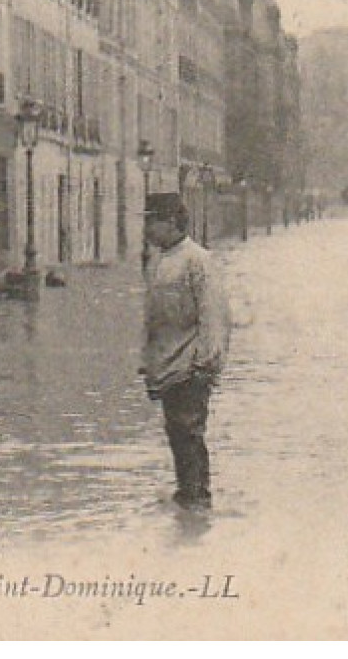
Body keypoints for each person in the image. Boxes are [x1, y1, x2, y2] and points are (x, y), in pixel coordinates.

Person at [141, 192, 231, 510]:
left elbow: (213, 315)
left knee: (188, 432)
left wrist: (206, 362)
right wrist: (148, 363)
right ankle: (188, 499)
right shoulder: (161, 262)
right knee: (177, 432)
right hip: (168, 366)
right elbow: (155, 320)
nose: (147, 230)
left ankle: (196, 501)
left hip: (190, 365)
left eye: (152, 222)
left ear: (171, 222)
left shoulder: (198, 260)